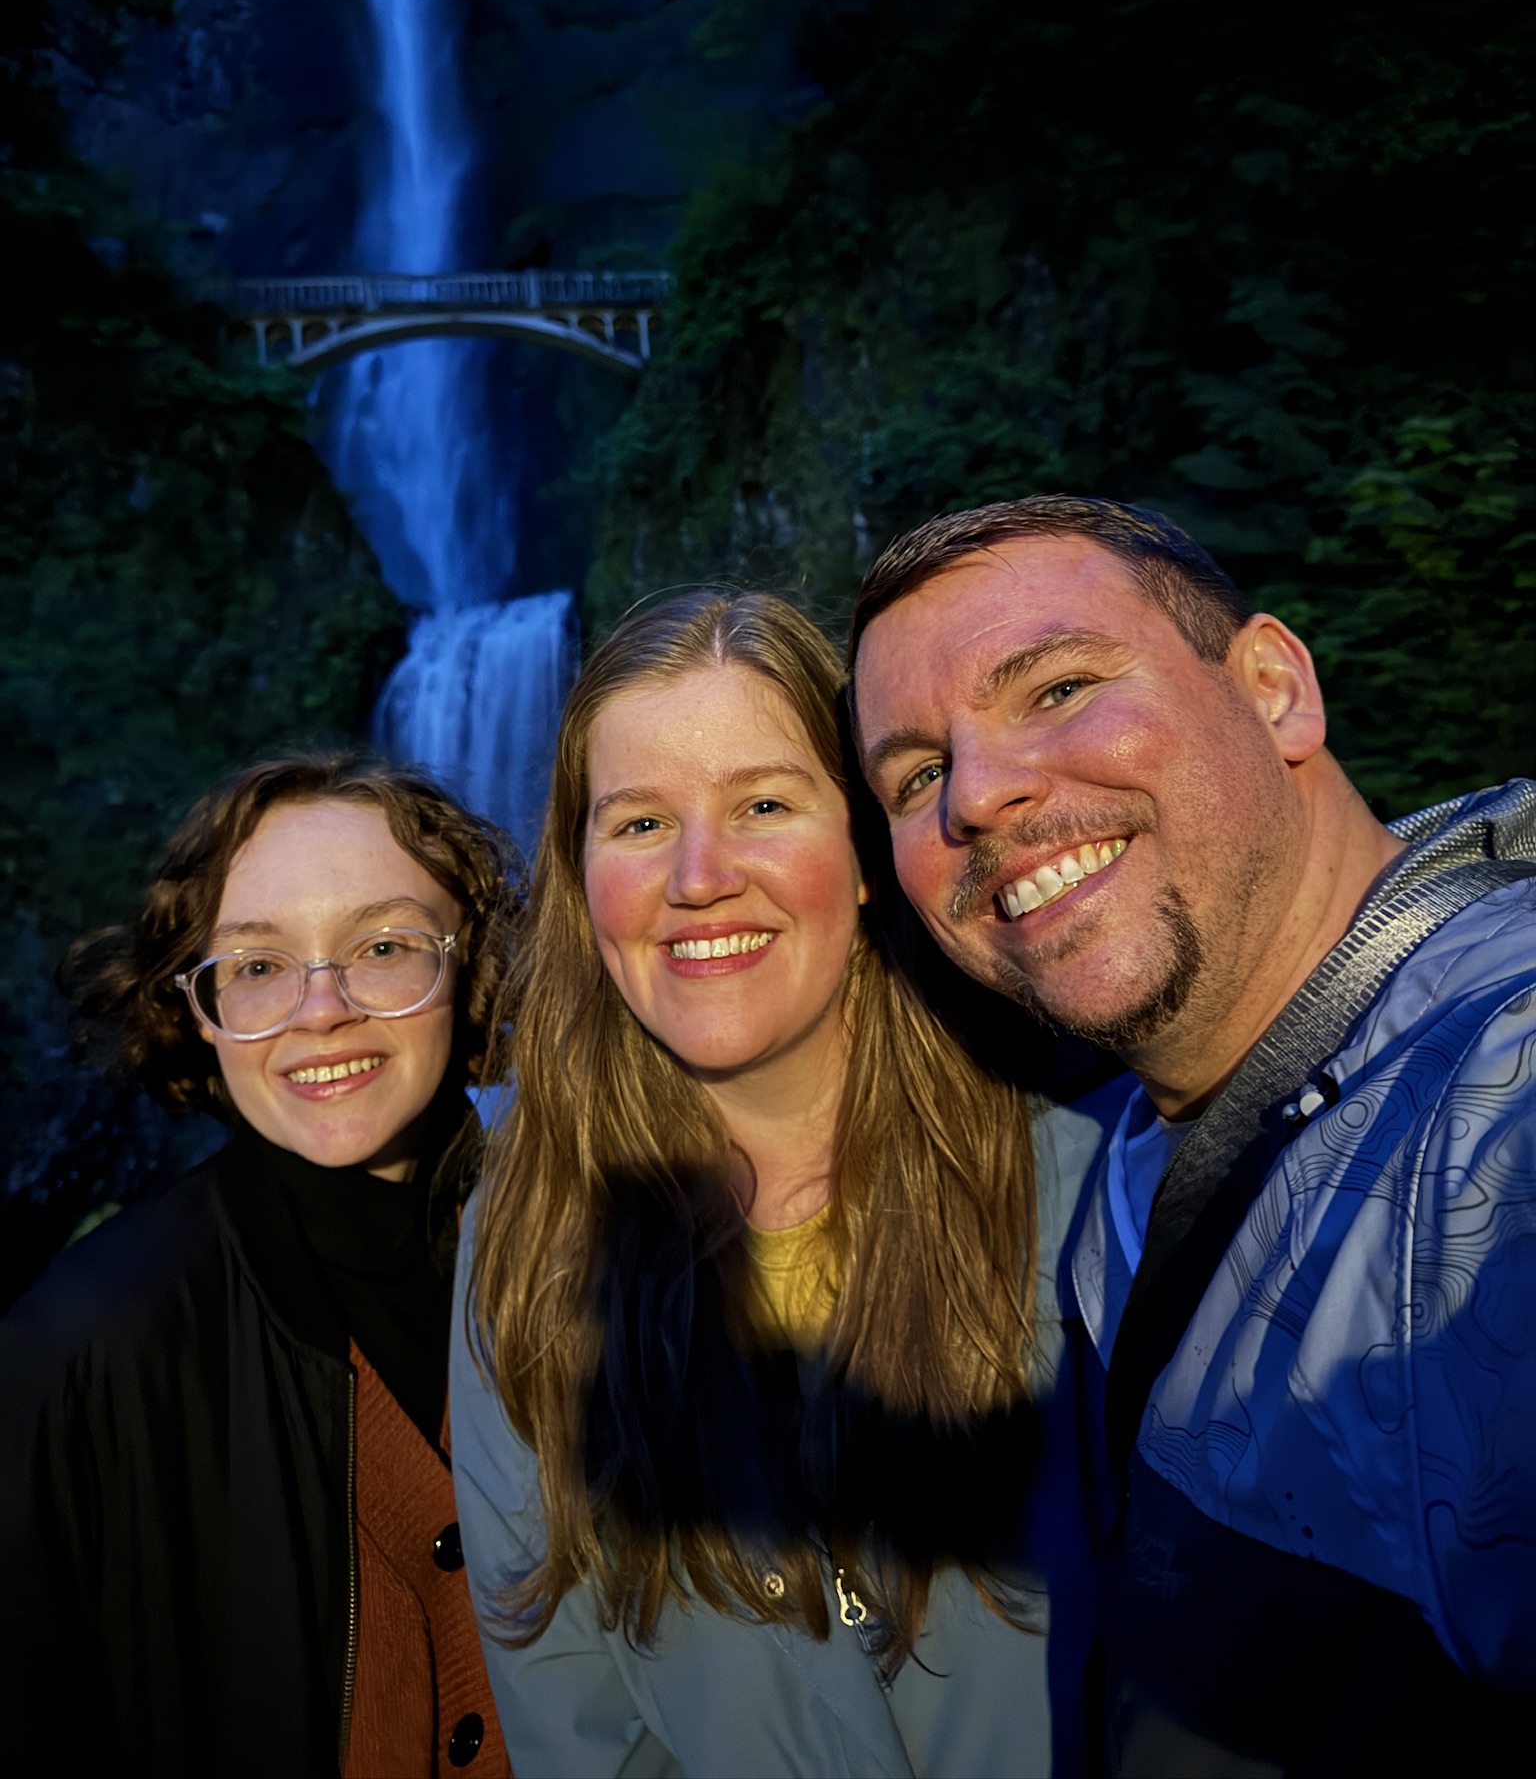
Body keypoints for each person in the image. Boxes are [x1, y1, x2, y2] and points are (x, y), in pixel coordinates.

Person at [847, 493, 1536, 1775]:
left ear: (1275, 688)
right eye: (919, 773)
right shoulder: (1118, 1146)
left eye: (1057, 686)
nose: (981, 797)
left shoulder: (1498, 1098)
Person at [451, 590, 1100, 1779]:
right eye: (639, 822)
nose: (700, 876)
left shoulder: (1085, 1173)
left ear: (862, 855)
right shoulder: (527, 1234)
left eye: (762, 803)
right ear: (580, 873)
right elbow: (573, 1719)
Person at [0, 753, 519, 1779]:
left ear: (469, 969)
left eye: (382, 944)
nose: (320, 1009)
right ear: (198, 1009)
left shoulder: (608, 1270)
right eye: (258, 964)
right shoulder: (79, 1342)